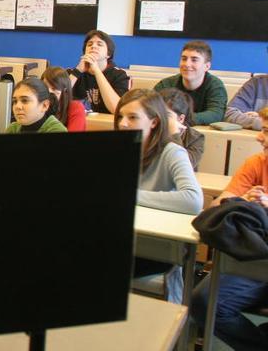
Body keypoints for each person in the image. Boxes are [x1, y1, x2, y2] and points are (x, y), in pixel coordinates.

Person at [190, 106, 268, 351]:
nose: (258, 136)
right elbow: (215, 207)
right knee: (204, 302)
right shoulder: (257, 163)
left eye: (266, 131)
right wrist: (241, 200)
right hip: (251, 257)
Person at [115, 89, 202, 304]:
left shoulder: (171, 152)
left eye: (133, 117)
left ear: (154, 122)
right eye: (120, 117)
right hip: (121, 238)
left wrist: (132, 195)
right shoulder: (118, 148)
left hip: (156, 249)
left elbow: (193, 200)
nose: (123, 124)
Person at [154, 40, 227, 125]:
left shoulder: (216, 86)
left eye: (194, 60)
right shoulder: (166, 84)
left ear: (207, 66)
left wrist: (180, 119)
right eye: (184, 59)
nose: (187, 64)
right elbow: (150, 108)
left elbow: (215, 115)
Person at [68, 30, 129, 114]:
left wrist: (96, 70)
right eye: (89, 44)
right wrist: (77, 72)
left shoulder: (119, 75)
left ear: (108, 54)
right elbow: (56, 102)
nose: (93, 46)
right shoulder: (72, 73)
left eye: (99, 44)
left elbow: (116, 109)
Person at [158, 87, 205, 170]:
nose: (160, 119)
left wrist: (174, 135)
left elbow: (183, 166)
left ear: (180, 119)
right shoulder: (150, 131)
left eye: (167, 115)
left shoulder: (195, 138)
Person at [41, 66, 86, 131]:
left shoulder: (75, 107)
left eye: (54, 88)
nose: (48, 92)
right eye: (44, 87)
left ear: (64, 91)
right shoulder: (38, 106)